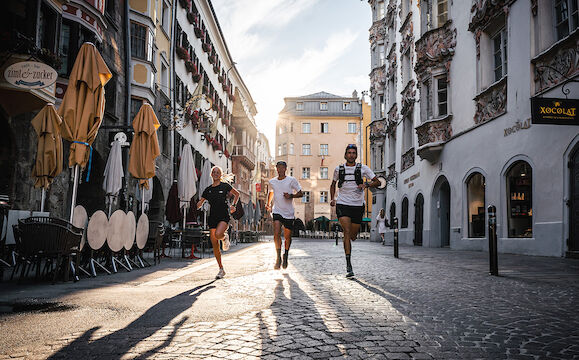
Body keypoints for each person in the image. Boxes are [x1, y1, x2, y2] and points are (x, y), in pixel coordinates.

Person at [330, 144, 380, 278]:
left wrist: (366, 184)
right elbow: (333, 184)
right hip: (342, 203)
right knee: (346, 232)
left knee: (352, 235)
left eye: (353, 153)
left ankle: (352, 238)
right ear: (345, 155)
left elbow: (378, 182)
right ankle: (349, 265)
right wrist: (332, 199)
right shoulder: (338, 169)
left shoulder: (363, 168)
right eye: (349, 153)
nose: (351, 155)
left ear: (356, 155)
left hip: (358, 205)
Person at [197, 166, 240, 279]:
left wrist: (233, 205)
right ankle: (221, 269)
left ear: (220, 175)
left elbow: (237, 194)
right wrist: (198, 205)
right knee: (215, 244)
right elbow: (201, 201)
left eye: (218, 172)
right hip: (212, 217)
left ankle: (224, 237)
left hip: (223, 216)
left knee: (218, 235)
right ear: (211, 174)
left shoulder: (225, 186)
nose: (215, 174)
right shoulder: (208, 189)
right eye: (214, 172)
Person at [265, 161, 303, 270]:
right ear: (276, 169)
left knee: (287, 237)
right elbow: (271, 192)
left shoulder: (291, 180)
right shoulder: (272, 181)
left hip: (289, 212)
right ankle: (278, 257)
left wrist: (291, 195)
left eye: (282, 167)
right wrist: (268, 204)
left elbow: (300, 193)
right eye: (278, 167)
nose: (280, 169)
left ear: (285, 168)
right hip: (277, 210)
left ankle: (285, 255)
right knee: (276, 233)